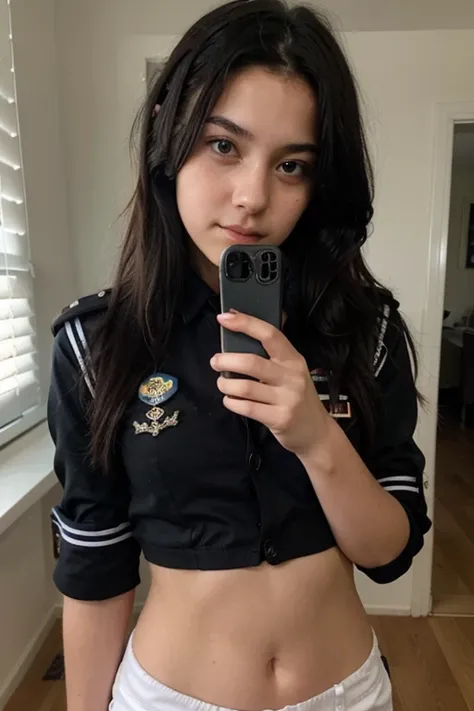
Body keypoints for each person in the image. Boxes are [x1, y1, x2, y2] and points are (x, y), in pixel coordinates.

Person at [48, 1, 432, 710]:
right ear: (169, 133)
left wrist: (316, 437)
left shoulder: (364, 328)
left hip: (345, 694)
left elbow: (389, 553)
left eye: (291, 165)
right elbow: (95, 567)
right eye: (224, 145)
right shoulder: (98, 343)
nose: (253, 197)